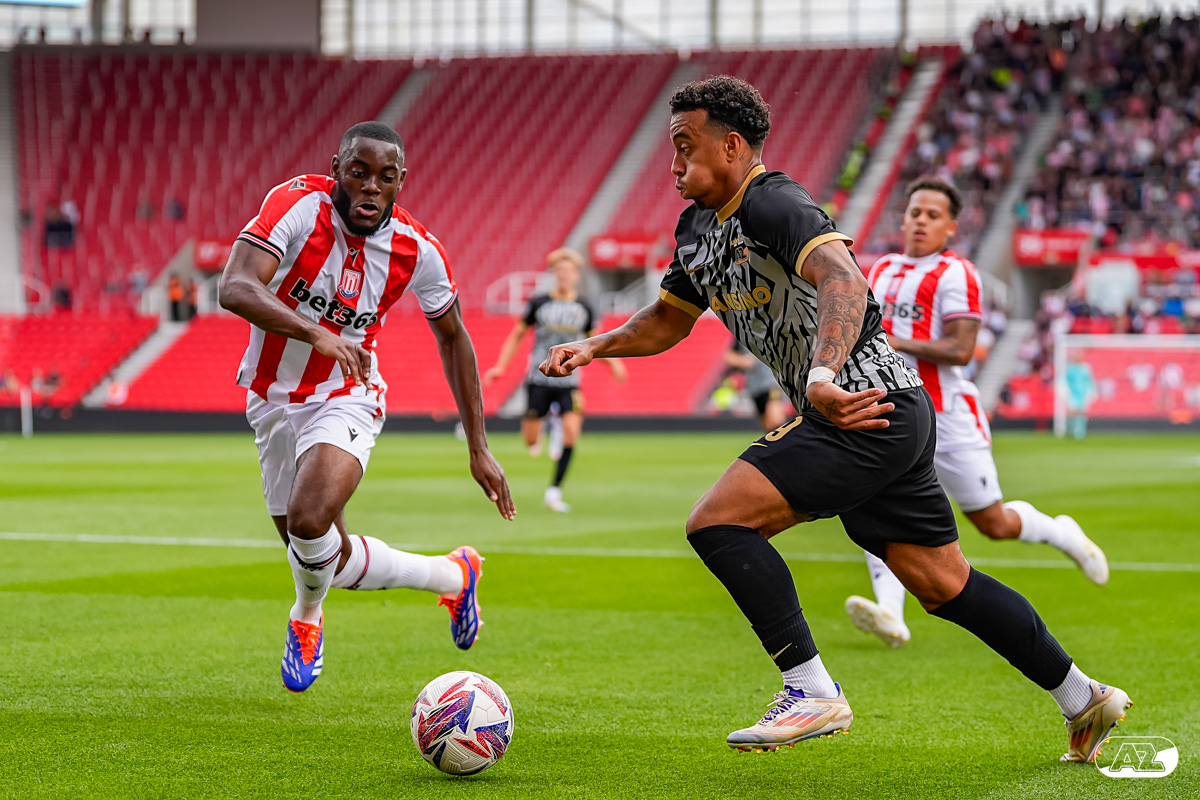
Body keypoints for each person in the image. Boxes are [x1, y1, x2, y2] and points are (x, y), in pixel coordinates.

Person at [539, 77, 1130, 762]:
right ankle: (1084, 698)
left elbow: (844, 278)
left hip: (859, 404)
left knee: (718, 522)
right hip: (888, 411)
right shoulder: (696, 227)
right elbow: (669, 318)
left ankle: (810, 689)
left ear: (731, 146)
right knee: (945, 585)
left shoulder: (773, 202)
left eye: (684, 146)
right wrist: (596, 345)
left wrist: (820, 376)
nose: (673, 164)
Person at [219, 121, 515, 694]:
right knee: (320, 555)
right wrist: (316, 333)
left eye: (386, 177)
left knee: (309, 519)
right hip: (270, 398)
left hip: (346, 392)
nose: (371, 187)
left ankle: (306, 619)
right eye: (359, 172)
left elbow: (454, 338)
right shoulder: (297, 206)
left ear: (401, 181)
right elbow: (234, 285)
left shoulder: (417, 249)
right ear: (337, 169)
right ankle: (453, 575)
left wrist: (478, 446)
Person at [846, 177, 1109, 649]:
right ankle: (891, 612)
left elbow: (962, 349)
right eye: (915, 212)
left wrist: (893, 341)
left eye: (933, 215)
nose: (921, 221)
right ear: (903, 218)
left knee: (993, 523)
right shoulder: (882, 268)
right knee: (876, 499)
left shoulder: (956, 273)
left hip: (947, 415)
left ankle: (1061, 533)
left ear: (951, 226)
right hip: (891, 409)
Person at [484, 248, 625, 512]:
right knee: (530, 440)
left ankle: (554, 491)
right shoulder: (539, 303)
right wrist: (501, 366)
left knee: (572, 434)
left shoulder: (584, 307)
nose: (564, 275)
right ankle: (549, 424)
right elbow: (517, 334)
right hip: (539, 378)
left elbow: (594, 342)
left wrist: (614, 363)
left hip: (569, 382)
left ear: (576, 275)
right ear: (554, 274)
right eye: (559, 270)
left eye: (568, 271)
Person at [724, 340, 787, 431]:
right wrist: (743, 361)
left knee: (776, 420)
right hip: (755, 388)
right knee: (767, 427)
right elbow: (729, 357)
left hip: (773, 383)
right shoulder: (742, 336)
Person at [1064, 350, 1097, 440]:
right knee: (1072, 412)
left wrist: (1092, 392)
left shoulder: (1086, 368)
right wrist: (1065, 392)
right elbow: (1065, 380)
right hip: (1072, 393)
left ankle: (1080, 432)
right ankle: (1070, 430)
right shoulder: (1069, 368)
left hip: (1083, 394)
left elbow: (1090, 381)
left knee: (1082, 413)